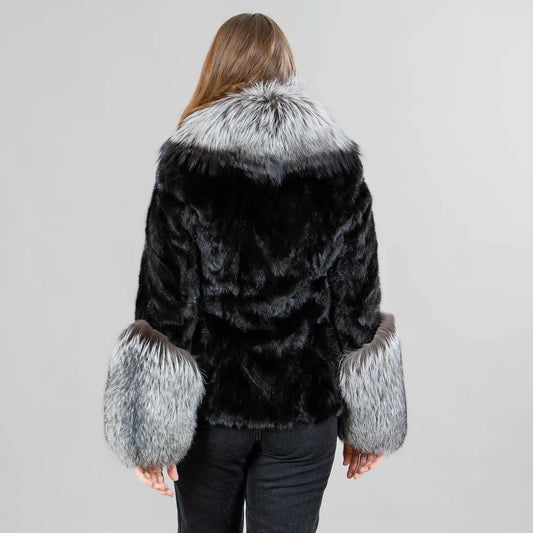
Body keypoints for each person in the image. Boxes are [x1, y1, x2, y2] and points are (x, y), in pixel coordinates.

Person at [103, 12, 408, 533]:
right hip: (303, 416)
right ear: (285, 67)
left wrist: (150, 433)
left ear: (215, 69)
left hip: (213, 418)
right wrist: (369, 424)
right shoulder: (338, 168)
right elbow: (356, 305)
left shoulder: (185, 168)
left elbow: (167, 307)